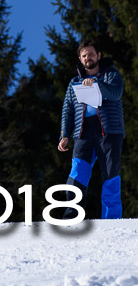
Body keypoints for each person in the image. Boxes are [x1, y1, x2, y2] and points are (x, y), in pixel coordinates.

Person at [58, 40, 124, 219]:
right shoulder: (74, 82)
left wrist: (96, 85)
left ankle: (112, 219)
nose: (88, 58)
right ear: (80, 59)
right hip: (83, 132)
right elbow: (68, 110)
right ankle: (72, 215)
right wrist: (65, 135)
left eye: (91, 54)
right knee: (77, 173)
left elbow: (116, 93)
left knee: (111, 174)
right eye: (85, 55)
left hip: (109, 131)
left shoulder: (111, 74)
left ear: (99, 55)